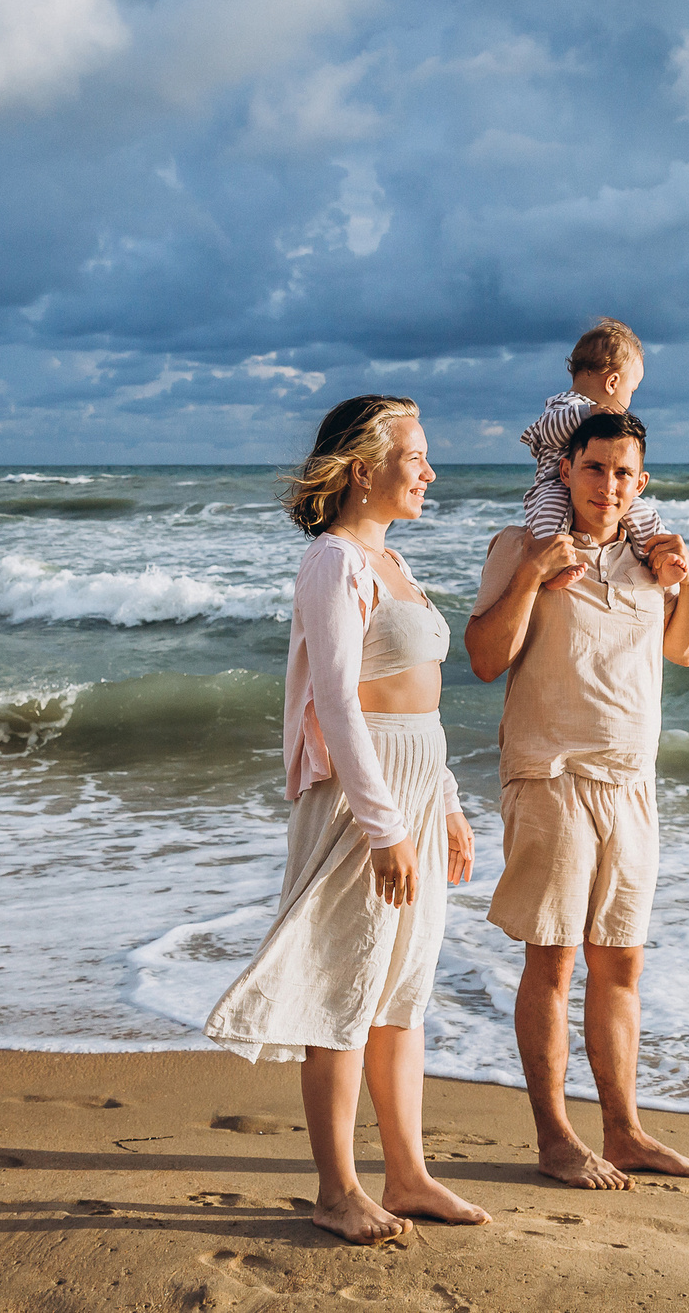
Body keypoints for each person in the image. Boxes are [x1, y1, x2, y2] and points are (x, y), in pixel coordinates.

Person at [204, 396, 490, 1242]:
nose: (431, 471)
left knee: (402, 993)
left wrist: (445, 804)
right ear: (364, 468)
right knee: (345, 991)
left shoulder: (394, 561)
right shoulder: (333, 563)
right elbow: (339, 701)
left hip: (415, 785)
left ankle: (409, 1176)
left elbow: (419, 707)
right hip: (361, 803)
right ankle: (337, 1189)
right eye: (417, 455)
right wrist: (384, 826)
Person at [465, 409, 689, 1190]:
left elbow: (685, 647)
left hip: (631, 783)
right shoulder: (522, 545)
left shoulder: (651, 555)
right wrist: (536, 573)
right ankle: (555, 1135)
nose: (608, 485)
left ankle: (625, 1129)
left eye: (623, 473)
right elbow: (482, 656)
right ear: (566, 470)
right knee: (555, 961)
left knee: (622, 963)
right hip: (552, 773)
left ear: (641, 483)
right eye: (595, 468)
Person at [520, 318, 665, 573]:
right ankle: (548, 570)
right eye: (632, 390)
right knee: (549, 516)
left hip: (585, 488)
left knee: (641, 511)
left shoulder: (598, 416)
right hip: (553, 485)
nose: (630, 400)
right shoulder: (564, 404)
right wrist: (589, 412)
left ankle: (658, 556)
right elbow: (549, 429)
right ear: (612, 383)